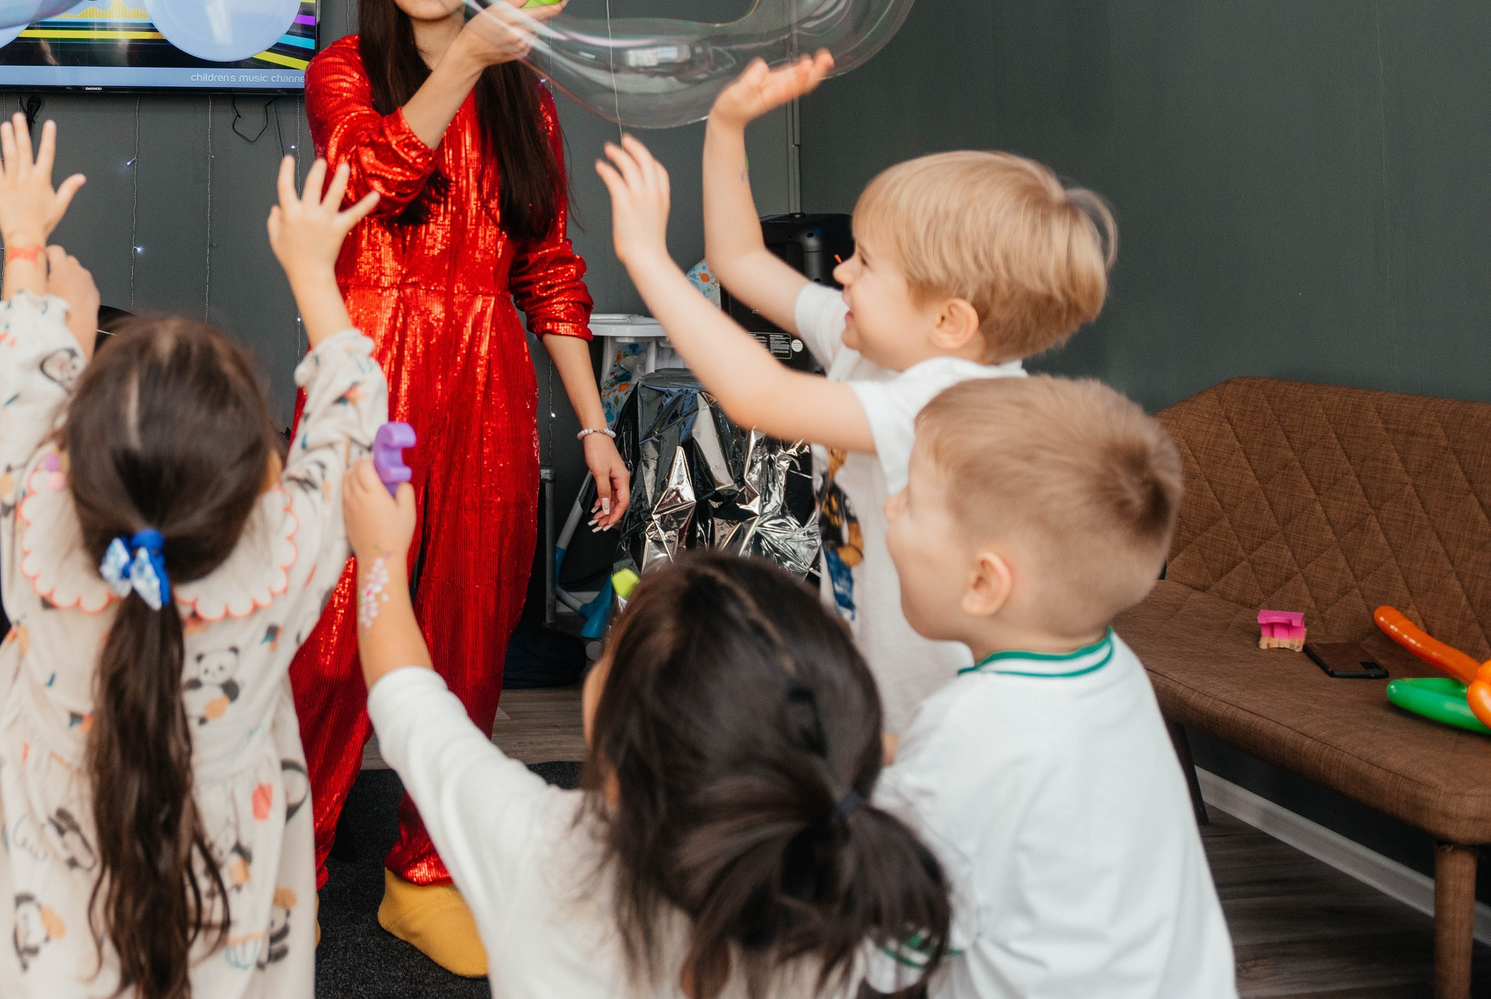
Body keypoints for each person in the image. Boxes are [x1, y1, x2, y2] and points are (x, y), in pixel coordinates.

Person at [0, 117, 387, 999]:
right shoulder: (283, 565)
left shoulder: (45, 542)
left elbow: (16, 383)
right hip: (219, 919)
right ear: (259, 482)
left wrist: (29, 256)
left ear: (79, 466)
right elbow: (348, 413)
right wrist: (314, 273)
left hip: (33, 943)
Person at [288, 0, 628, 976]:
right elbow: (367, 177)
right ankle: (273, 854)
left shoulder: (525, 97)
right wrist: (470, 62)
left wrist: (591, 425)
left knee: (470, 630)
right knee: (330, 628)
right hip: (369, 360)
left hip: (489, 381)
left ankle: (424, 872)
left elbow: (549, 267)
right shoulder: (342, 68)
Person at [599, 60, 1114, 730]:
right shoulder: (869, 340)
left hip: (952, 717)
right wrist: (726, 126)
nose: (840, 269)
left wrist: (647, 257)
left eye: (866, 263)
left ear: (949, 320)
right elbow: (742, 262)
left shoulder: (955, 402)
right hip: (885, 694)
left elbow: (759, 396)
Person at [338, 439, 952, 999]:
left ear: (607, 715)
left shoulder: (537, 846)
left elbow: (407, 697)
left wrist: (381, 556)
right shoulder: (849, 898)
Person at [876, 376, 1235, 997]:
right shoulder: (1113, 669)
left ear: (983, 583)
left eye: (909, 498)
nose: (888, 505)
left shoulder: (968, 734)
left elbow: (892, 949)